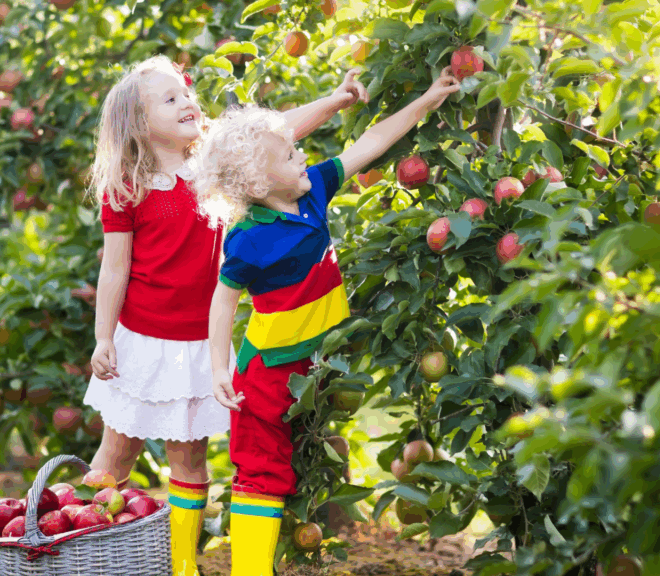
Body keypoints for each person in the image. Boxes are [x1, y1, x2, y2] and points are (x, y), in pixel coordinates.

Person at [81, 55, 368, 576]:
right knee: (116, 453)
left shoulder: (211, 159)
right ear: (140, 124)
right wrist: (104, 339)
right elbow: (114, 270)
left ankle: (182, 567)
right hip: (142, 341)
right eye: (169, 99)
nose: (188, 101)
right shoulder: (128, 183)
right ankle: (80, 548)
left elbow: (279, 132)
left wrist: (337, 99)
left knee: (189, 461)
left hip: (197, 343)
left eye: (185, 91)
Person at [194, 66, 462, 576]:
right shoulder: (248, 239)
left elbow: (373, 141)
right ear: (255, 182)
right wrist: (218, 367)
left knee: (295, 460)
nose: (302, 155)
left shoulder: (313, 188)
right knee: (259, 471)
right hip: (268, 369)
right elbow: (222, 302)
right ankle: (250, 570)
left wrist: (428, 98)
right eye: (291, 153)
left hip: (314, 362)